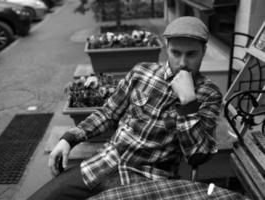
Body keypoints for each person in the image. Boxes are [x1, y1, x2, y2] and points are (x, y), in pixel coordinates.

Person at [28, 16, 223, 200]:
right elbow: (109, 112)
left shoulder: (209, 94)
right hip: (105, 162)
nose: (182, 63)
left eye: (191, 54)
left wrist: (188, 105)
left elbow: (197, 157)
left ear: (204, 51)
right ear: (166, 47)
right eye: (176, 53)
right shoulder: (142, 72)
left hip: (148, 180)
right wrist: (69, 139)